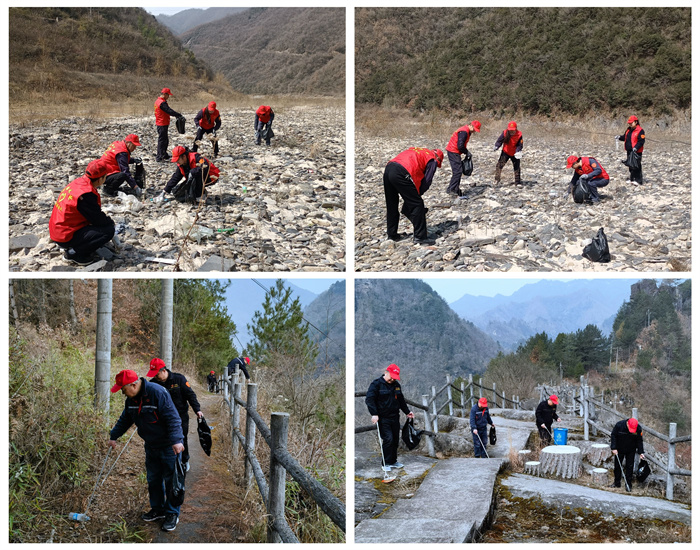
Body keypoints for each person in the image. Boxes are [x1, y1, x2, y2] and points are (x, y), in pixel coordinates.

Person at [108, 369, 184, 532]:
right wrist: (114, 436)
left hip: (168, 445)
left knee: (171, 481)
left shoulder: (157, 393)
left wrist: (177, 440)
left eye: (123, 389)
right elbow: (125, 419)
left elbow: (173, 417)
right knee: (153, 479)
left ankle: (172, 513)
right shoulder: (131, 400)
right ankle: (158, 509)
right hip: (151, 445)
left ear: (134, 385)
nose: (122, 393)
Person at [49, 158, 115, 265]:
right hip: (64, 235)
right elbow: (97, 219)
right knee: (108, 231)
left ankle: (75, 245)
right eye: (105, 176)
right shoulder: (86, 194)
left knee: (102, 227)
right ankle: (73, 253)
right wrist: (110, 222)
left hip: (57, 228)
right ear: (100, 180)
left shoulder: (79, 182)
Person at [147, 358, 203, 473]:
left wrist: (197, 410)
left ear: (164, 371)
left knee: (181, 439)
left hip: (180, 416)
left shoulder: (179, 379)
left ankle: (184, 460)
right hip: (161, 419)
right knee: (164, 440)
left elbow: (190, 395)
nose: (155, 376)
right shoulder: (152, 384)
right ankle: (168, 462)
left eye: (157, 374)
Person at [383, 147, 444, 245]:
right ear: (438, 159)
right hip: (401, 172)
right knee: (417, 204)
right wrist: (418, 195)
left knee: (391, 204)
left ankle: (392, 235)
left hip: (389, 168)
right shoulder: (432, 160)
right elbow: (427, 181)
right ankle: (420, 237)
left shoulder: (420, 151)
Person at [365, 364, 415, 471]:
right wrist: (374, 414)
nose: (392, 379)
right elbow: (370, 399)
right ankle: (386, 463)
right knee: (388, 439)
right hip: (383, 418)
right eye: (391, 376)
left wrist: (407, 411)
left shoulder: (396, 385)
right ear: (386, 372)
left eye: (394, 377)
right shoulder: (376, 384)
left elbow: (401, 400)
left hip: (395, 416)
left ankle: (393, 461)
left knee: (396, 439)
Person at [445, 120, 481, 196]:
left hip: (454, 151)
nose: (474, 131)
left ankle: (455, 188)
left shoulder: (466, 130)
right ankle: (451, 189)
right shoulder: (464, 132)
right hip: (453, 151)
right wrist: (466, 152)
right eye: (474, 129)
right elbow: (460, 146)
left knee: (458, 171)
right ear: (471, 126)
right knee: (457, 171)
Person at [610, 417, 645, 491]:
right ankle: (617, 483)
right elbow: (613, 436)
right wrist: (614, 448)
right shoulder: (619, 425)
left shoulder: (638, 429)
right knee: (617, 466)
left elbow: (639, 440)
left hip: (631, 450)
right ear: (627, 424)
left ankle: (628, 484)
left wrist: (641, 452)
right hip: (619, 449)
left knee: (629, 467)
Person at [154, 88, 183, 162]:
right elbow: (169, 110)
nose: (168, 97)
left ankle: (164, 154)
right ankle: (159, 156)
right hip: (162, 123)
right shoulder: (162, 103)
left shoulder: (158, 101)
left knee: (165, 139)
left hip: (161, 122)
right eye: (168, 95)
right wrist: (178, 115)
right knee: (162, 140)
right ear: (164, 94)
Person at [616, 115, 645, 185]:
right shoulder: (628, 129)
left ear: (636, 122)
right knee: (630, 165)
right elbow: (625, 137)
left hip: (636, 152)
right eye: (629, 123)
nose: (630, 124)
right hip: (629, 151)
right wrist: (619, 137)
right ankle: (632, 179)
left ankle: (638, 180)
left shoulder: (640, 130)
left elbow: (641, 141)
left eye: (631, 123)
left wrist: (636, 148)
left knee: (636, 165)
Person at [493, 121, 523, 185]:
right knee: (499, 166)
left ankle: (517, 182)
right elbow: (499, 140)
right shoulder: (505, 133)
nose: (511, 132)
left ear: (516, 129)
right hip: (505, 152)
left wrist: (518, 151)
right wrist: (497, 146)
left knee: (517, 167)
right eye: (510, 130)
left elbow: (520, 145)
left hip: (515, 153)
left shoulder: (519, 134)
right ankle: (497, 179)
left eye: (513, 130)